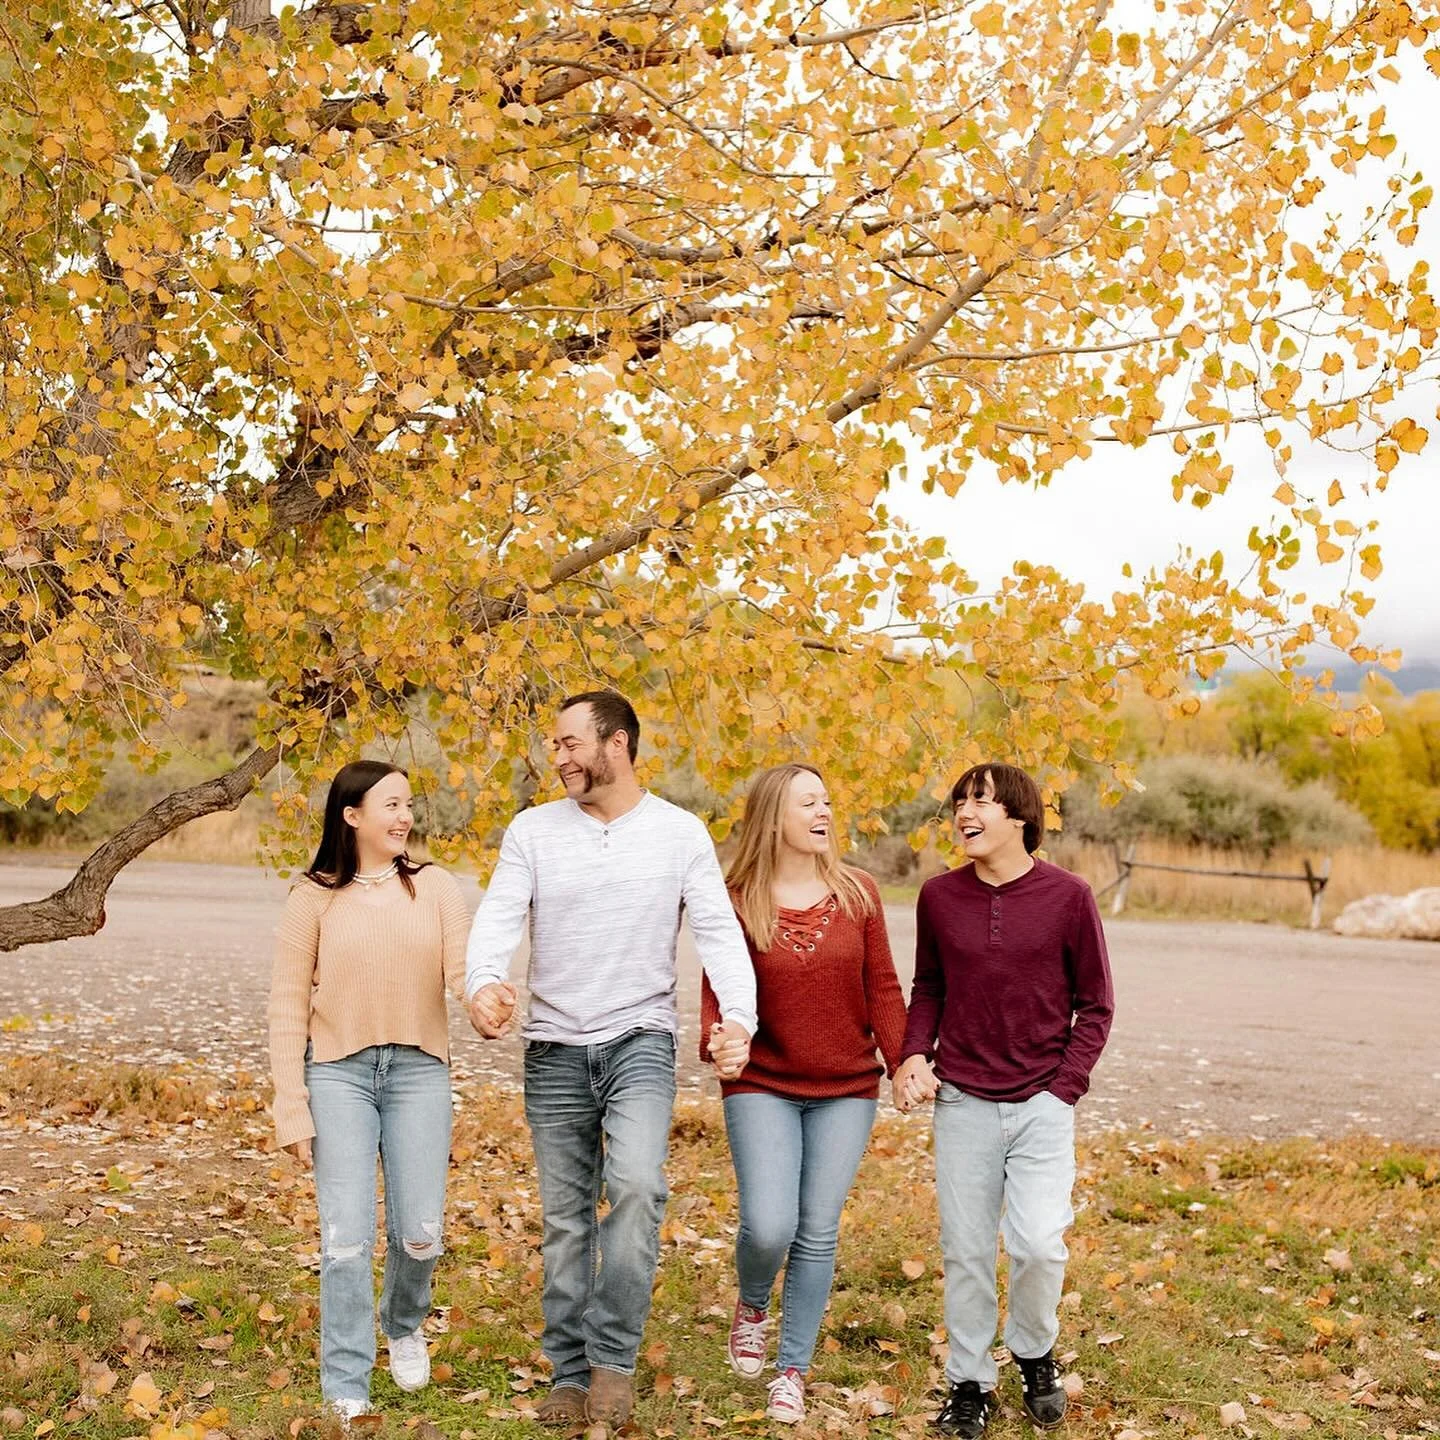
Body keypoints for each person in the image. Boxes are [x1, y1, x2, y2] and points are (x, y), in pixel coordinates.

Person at [464, 689, 757, 1430]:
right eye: (555, 745)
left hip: (639, 1041)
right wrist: (483, 983)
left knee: (635, 1187)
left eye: (568, 743)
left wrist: (741, 1021)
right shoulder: (532, 832)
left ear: (616, 744)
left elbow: (721, 935)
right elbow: (499, 914)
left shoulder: (680, 834)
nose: (556, 757)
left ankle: (614, 1363)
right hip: (555, 1047)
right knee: (566, 1221)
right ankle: (568, 1373)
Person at [893, 763, 1114, 1438]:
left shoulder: (1069, 897)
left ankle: (1033, 1348)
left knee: (1040, 1246)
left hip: (1041, 1102)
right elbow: (928, 986)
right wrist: (911, 1054)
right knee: (964, 1250)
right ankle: (969, 1384)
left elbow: (1097, 1005)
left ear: (1018, 816)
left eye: (979, 800)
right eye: (959, 801)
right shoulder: (938, 897)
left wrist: (1062, 1089)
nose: (965, 811)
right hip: (961, 1098)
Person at [699, 763, 908, 1425]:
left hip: (848, 1086)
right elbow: (718, 996)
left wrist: (904, 1064)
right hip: (762, 1081)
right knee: (769, 1223)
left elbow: (883, 989)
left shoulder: (860, 894)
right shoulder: (732, 898)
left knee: (817, 1231)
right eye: (807, 802)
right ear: (774, 817)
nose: (823, 811)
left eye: (826, 799)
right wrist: (719, 1038)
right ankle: (753, 1304)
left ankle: (791, 1369)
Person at [268, 761, 471, 1422]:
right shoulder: (312, 896)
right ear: (351, 815)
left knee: (420, 1233)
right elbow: (286, 1005)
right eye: (390, 804)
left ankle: (404, 1321)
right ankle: (345, 1380)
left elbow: (465, 971)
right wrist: (290, 1105)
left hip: (419, 1073)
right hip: (338, 1076)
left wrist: (488, 996)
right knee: (346, 1239)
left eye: (409, 803)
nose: (404, 816)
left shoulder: (436, 888)